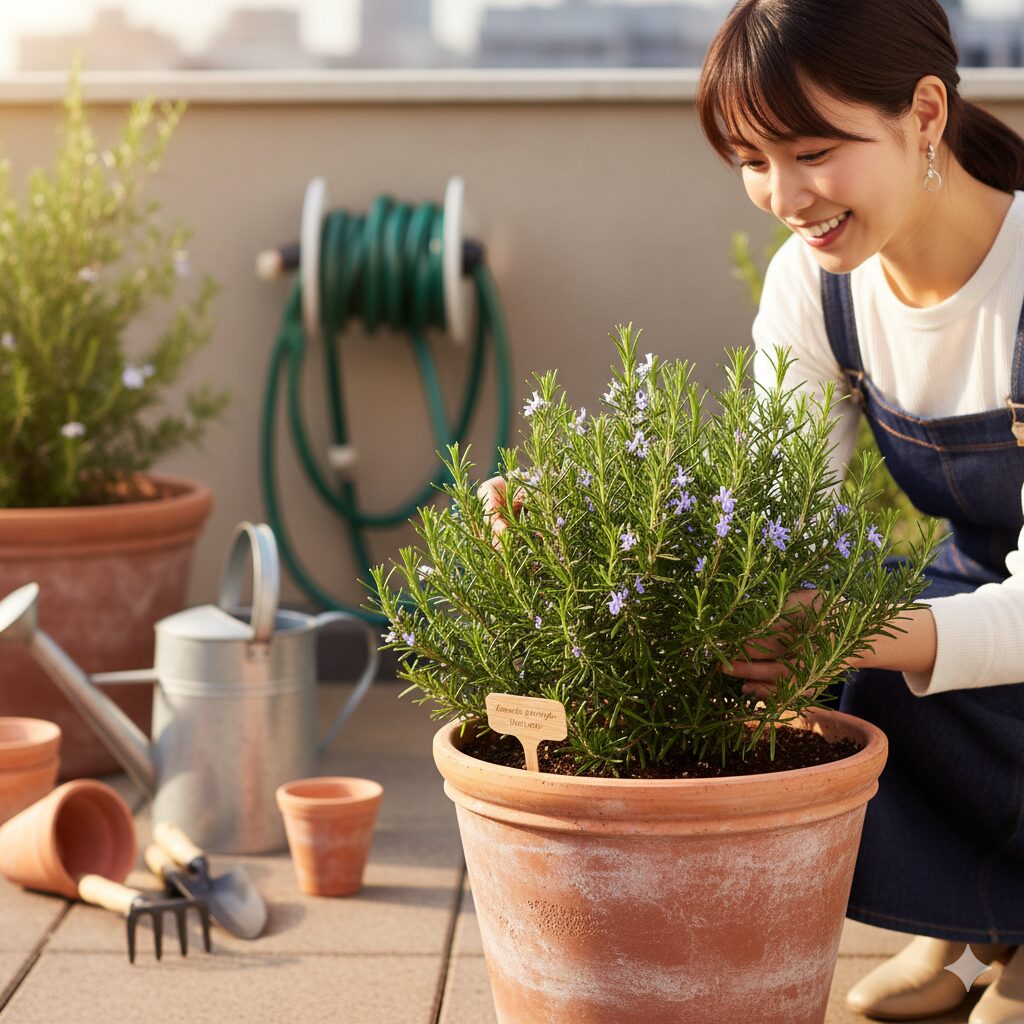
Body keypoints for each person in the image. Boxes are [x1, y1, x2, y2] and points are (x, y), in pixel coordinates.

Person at [479, 1, 1024, 1019]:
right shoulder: (815, 287)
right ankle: (976, 929)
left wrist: (864, 631)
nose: (783, 195)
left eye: (813, 150)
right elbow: (775, 511)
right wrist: (578, 533)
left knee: (890, 645)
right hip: (982, 580)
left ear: (923, 112)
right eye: (752, 159)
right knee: (846, 661)